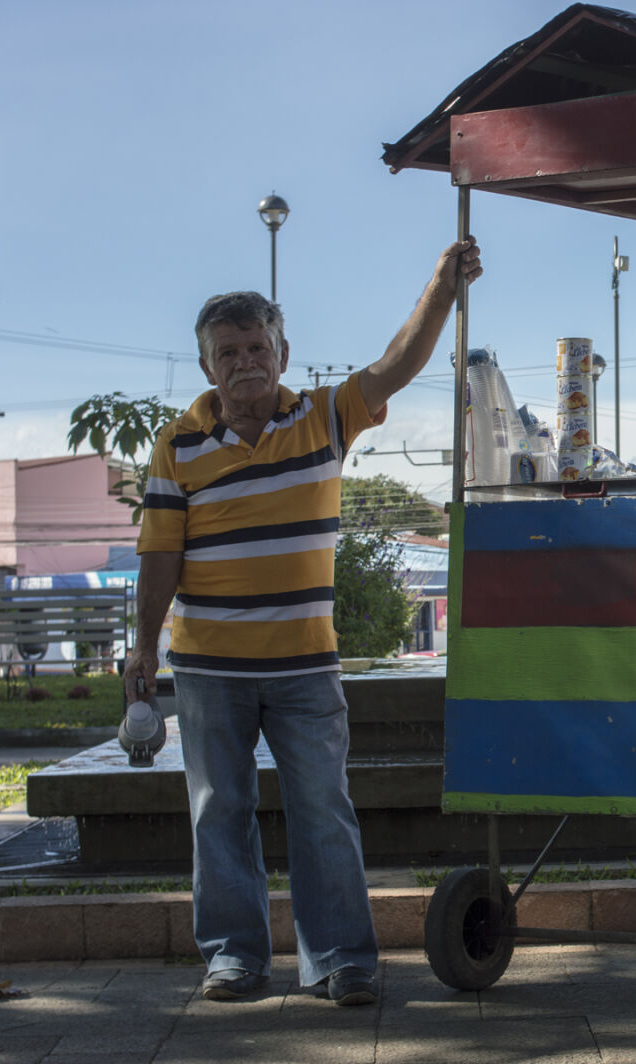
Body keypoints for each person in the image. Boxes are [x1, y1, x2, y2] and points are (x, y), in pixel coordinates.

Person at [122, 238, 483, 1006]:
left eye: (258, 346)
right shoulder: (177, 445)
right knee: (219, 814)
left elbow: (396, 365)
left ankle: (342, 961)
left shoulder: (323, 416)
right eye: (228, 352)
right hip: (209, 666)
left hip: (304, 666)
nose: (245, 361)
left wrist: (441, 287)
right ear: (207, 368)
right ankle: (234, 957)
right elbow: (159, 556)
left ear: (283, 354)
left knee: (323, 812)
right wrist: (142, 649)